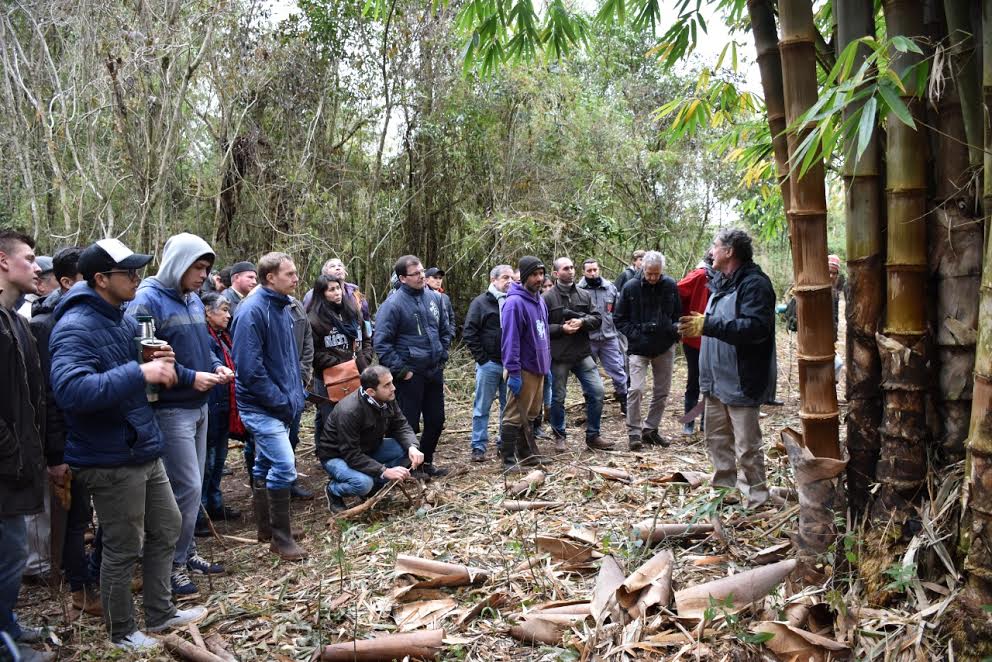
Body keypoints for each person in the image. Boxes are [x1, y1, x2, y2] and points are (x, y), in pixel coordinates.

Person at [50, 238, 205, 651]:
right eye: (128, 273)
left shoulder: (118, 315)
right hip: (109, 455)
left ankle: (160, 612)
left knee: (167, 526)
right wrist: (141, 372)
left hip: (141, 445)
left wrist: (171, 368)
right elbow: (72, 390)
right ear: (101, 279)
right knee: (122, 546)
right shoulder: (75, 325)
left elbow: (134, 366)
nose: (137, 279)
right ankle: (123, 632)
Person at [128, 233, 233, 595]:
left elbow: (201, 347)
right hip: (171, 411)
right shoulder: (147, 299)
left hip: (199, 405)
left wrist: (216, 366)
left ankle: (186, 552)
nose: (204, 275)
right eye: (198, 267)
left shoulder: (191, 300)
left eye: (207, 268)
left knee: (194, 485)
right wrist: (192, 377)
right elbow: (147, 361)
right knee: (183, 489)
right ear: (177, 263)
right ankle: (170, 564)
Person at [29, 246, 103, 617]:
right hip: (66, 440)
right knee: (73, 519)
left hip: (91, 435)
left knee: (91, 513)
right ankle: (80, 589)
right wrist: (55, 454)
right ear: (65, 282)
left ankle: (93, 575)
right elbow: (46, 395)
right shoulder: (43, 326)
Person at [679, 229, 776, 509]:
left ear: (730, 251)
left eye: (716, 246)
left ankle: (756, 498)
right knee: (717, 440)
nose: (711, 251)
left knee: (747, 446)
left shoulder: (754, 284)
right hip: (715, 381)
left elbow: (755, 328)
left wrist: (707, 325)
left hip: (742, 379)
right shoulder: (721, 282)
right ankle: (724, 493)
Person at [230, 252, 308, 561]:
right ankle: (281, 537)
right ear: (270, 277)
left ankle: (266, 527)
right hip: (262, 406)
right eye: (289, 274)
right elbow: (250, 369)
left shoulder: (283, 306)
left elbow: (287, 358)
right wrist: (280, 401)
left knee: (264, 465)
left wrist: (295, 395)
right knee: (285, 466)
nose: (296, 278)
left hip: (282, 402)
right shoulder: (252, 311)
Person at [0, 230, 53, 662]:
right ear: (3, 261)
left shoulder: (18, 322)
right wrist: (11, 452)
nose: (38, 267)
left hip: (20, 464)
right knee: (10, 551)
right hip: (5, 465)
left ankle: (8, 626)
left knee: (13, 551)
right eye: (30, 258)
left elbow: (33, 398)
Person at [373, 255, 452, 478]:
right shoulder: (393, 304)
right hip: (409, 375)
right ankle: (409, 467)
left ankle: (426, 462)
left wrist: (442, 354)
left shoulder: (433, 298)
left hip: (434, 370)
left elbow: (444, 329)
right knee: (407, 424)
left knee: (436, 420)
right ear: (402, 278)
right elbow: (382, 343)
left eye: (422, 272)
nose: (421, 276)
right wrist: (402, 371)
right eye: (415, 274)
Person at [318, 366, 425, 512]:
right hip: (338, 456)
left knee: (404, 448)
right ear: (370, 392)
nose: (393, 388)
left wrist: (412, 446)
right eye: (387, 385)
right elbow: (351, 454)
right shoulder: (350, 411)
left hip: (368, 447)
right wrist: (384, 470)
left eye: (392, 382)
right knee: (363, 483)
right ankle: (333, 490)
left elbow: (401, 425)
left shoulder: (386, 398)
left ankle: (375, 486)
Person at [543, 257, 613, 453]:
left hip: (582, 353)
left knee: (597, 392)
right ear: (556, 273)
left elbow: (598, 319)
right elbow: (541, 328)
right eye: (566, 268)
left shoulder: (584, 294)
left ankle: (593, 436)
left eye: (573, 267)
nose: (571, 271)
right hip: (559, 356)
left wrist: (582, 322)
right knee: (558, 398)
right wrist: (561, 329)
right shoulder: (547, 298)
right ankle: (559, 436)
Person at [615, 251, 681, 450]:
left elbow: (677, 314)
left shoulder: (670, 285)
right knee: (635, 389)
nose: (653, 278)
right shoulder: (630, 287)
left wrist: (674, 332)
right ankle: (634, 432)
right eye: (649, 273)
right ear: (643, 268)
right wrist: (636, 334)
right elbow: (619, 318)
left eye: (656, 274)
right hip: (638, 348)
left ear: (662, 271)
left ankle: (650, 430)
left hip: (664, 347)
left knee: (662, 391)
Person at [195, 292, 244, 537]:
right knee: (206, 461)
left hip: (225, 404)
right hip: (211, 405)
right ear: (207, 312)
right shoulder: (203, 337)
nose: (228, 314)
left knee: (218, 459)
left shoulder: (224, 336)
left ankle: (214, 503)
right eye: (223, 310)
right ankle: (200, 512)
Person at [308, 274, 372, 450]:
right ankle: (332, 457)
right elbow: (312, 353)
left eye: (338, 289)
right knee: (333, 420)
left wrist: (364, 357)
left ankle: (357, 454)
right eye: (331, 290)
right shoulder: (314, 319)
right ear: (322, 293)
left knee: (359, 417)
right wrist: (340, 362)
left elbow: (366, 338)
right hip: (330, 379)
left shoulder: (353, 312)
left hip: (357, 373)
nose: (337, 293)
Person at [500, 256, 552, 470]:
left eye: (541, 274)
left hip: (539, 366)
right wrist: (513, 371)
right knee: (514, 414)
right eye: (534, 275)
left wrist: (546, 364)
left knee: (530, 414)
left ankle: (526, 454)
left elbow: (544, 333)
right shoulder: (514, 303)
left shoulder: (539, 299)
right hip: (522, 368)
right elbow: (510, 340)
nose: (539, 279)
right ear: (524, 276)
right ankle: (508, 460)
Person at [462, 264, 513, 462]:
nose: (509, 281)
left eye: (511, 278)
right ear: (493, 280)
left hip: (510, 364)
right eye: (505, 278)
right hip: (489, 364)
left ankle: (505, 442)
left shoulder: (514, 301)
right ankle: (478, 446)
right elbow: (469, 332)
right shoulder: (481, 302)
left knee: (507, 407)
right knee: (482, 407)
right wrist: (482, 359)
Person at [578, 258, 628, 414]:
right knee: (587, 373)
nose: (593, 273)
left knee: (618, 370)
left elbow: (618, 311)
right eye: (589, 271)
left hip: (609, 337)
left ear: (599, 269)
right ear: (583, 272)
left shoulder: (610, 288)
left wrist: (620, 332)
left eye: (595, 270)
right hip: (587, 339)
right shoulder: (579, 290)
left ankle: (624, 401)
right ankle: (590, 402)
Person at [676, 252, 712, 435]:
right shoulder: (700, 274)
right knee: (694, 381)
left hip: (716, 337)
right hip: (695, 337)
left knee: (711, 382)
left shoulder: (726, 277)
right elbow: (677, 291)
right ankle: (689, 422)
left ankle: (706, 422)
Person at [302, 258, 372, 336]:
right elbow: (307, 321)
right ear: (324, 273)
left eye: (340, 265)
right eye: (332, 266)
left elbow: (366, 320)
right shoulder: (312, 295)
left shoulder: (355, 292)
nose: (337, 268)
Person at [425, 267, 456, 337]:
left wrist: (451, 334)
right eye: (435, 278)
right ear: (426, 280)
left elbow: (451, 318)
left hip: (444, 339)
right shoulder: (422, 296)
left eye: (440, 278)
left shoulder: (445, 298)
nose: (438, 281)